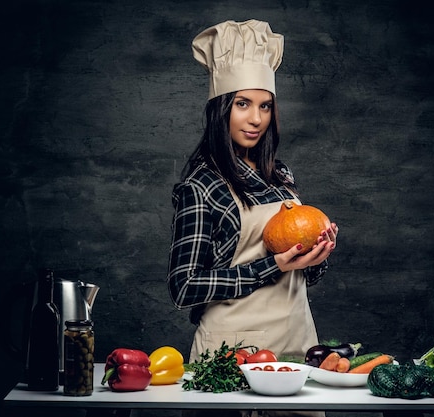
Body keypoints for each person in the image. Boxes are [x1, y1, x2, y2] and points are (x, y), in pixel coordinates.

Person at [167, 19, 338, 417]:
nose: (256, 119)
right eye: (242, 104)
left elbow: (301, 275)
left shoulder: (282, 177)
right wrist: (270, 266)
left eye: (265, 106)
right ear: (220, 108)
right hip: (232, 358)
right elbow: (183, 286)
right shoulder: (202, 186)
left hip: (296, 348)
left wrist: (317, 256)